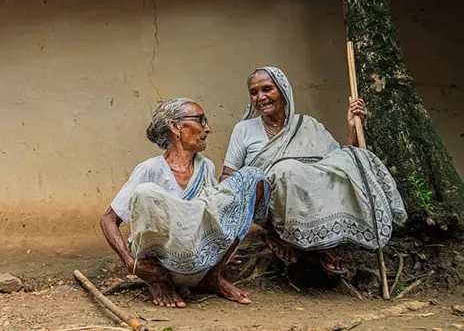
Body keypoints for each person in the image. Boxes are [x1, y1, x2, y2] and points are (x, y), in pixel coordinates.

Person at [221, 67, 407, 274]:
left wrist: (354, 127)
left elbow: (337, 163)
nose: (260, 97)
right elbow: (228, 174)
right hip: (266, 202)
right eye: (254, 93)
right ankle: (277, 235)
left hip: (308, 200)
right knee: (286, 170)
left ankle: (318, 245)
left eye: (267, 89)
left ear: (283, 91)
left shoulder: (307, 124)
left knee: (353, 158)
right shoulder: (244, 129)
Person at [101, 98, 271, 308]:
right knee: (146, 193)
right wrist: (130, 263)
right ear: (175, 126)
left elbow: (211, 214)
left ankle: (214, 277)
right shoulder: (150, 169)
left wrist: (222, 246)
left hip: (198, 261)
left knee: (252, 178)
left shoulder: (205, 167)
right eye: (200, 120)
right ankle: (159, 283)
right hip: (159, 268)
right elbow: (108, 219)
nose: (207, 129)